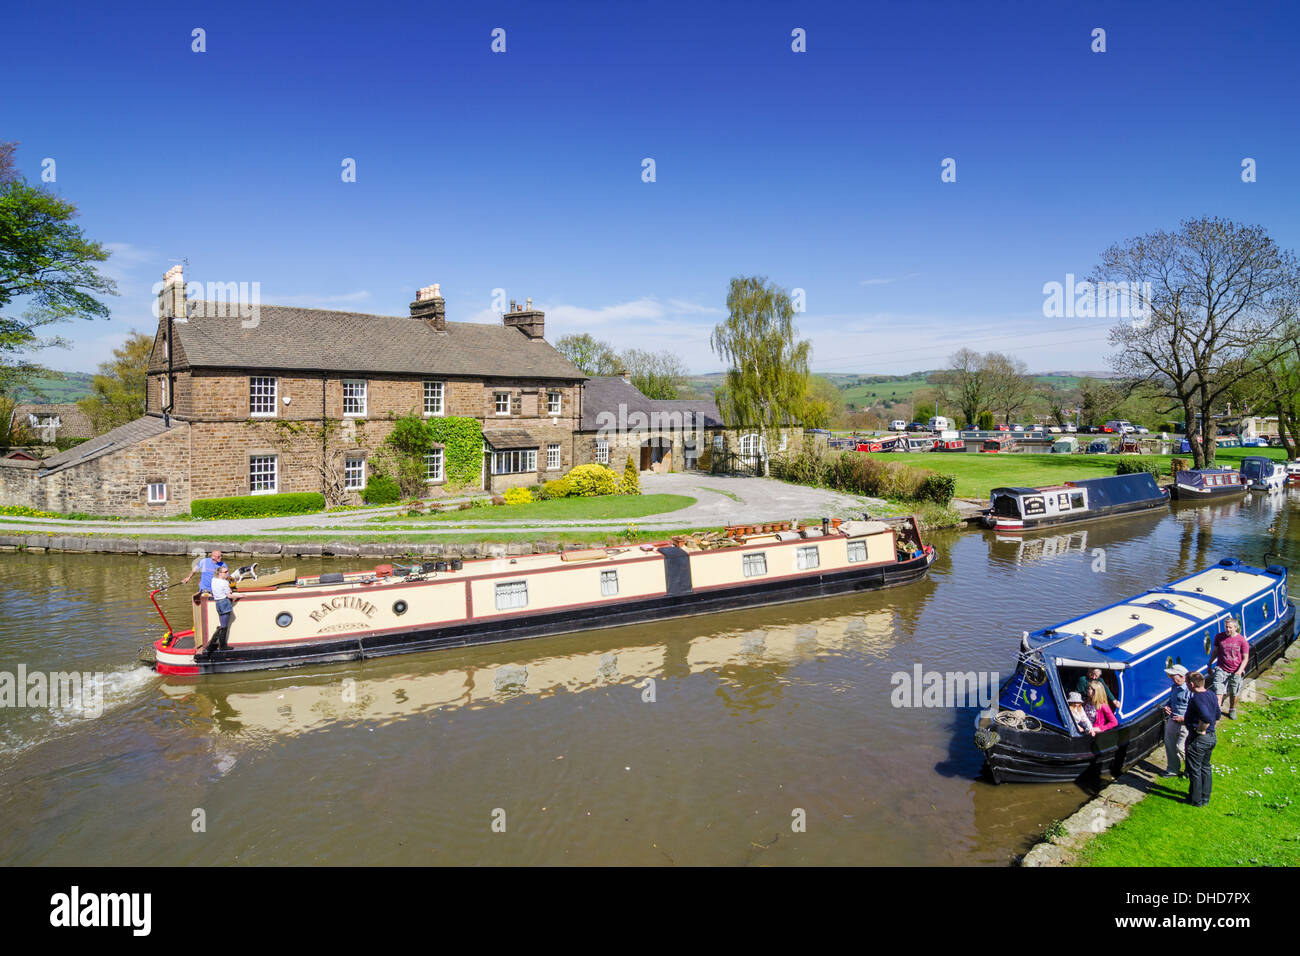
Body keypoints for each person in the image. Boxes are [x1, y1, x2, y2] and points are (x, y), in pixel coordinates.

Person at [1184, 671, 1222, 807]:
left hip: (1199, 739)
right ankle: (1205, 797)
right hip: (1211, 738)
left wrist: (1201, 729)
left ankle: (1195, 800)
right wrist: (1210, 728)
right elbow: (1217, 714)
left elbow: (1206, 717)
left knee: (1195, 770)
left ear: (1192, 684)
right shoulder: (1211, 694)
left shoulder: (1197, 698)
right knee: (1206, 767)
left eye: (1187, 683)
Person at [1209, 617, 1250, 719]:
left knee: (1234, 692)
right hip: (1221, 669)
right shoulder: (1219, 637)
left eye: (1230, 627)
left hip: (1236, 670)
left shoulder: (1242, 641)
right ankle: (1217, 712)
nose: (1228, 629)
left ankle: (1232, 709)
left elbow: (1245, 658)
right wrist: (1209, 664)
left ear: (1236, 627)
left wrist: (1239, 671)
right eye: (1226, 627)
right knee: (1218, 691)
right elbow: (1215, 651)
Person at [201, 566, 238, 658]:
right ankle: (220, 646)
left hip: (218, 603)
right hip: (224, 602)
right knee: (224, 626)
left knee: (222, 625)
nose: (227, 573)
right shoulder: (224, 582)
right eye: (225, 572)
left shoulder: (214, 580)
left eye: (227, 571)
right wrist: (241, 595)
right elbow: (229, 595)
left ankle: (213, 645)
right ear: (220, 573)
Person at [1161, 664, 1191, 777]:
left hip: (1184, 723)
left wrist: (1184, 719)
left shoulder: (1190, 690)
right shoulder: (1174, 687)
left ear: (1182, 676)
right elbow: (1171, 700)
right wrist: (1167, 706)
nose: (1171, 678)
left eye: (1173, 676)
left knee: (1180, 747)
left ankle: (1192, 768)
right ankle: (1172, 769)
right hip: (1172, 720)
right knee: (1169, 744)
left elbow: (1195, 709)